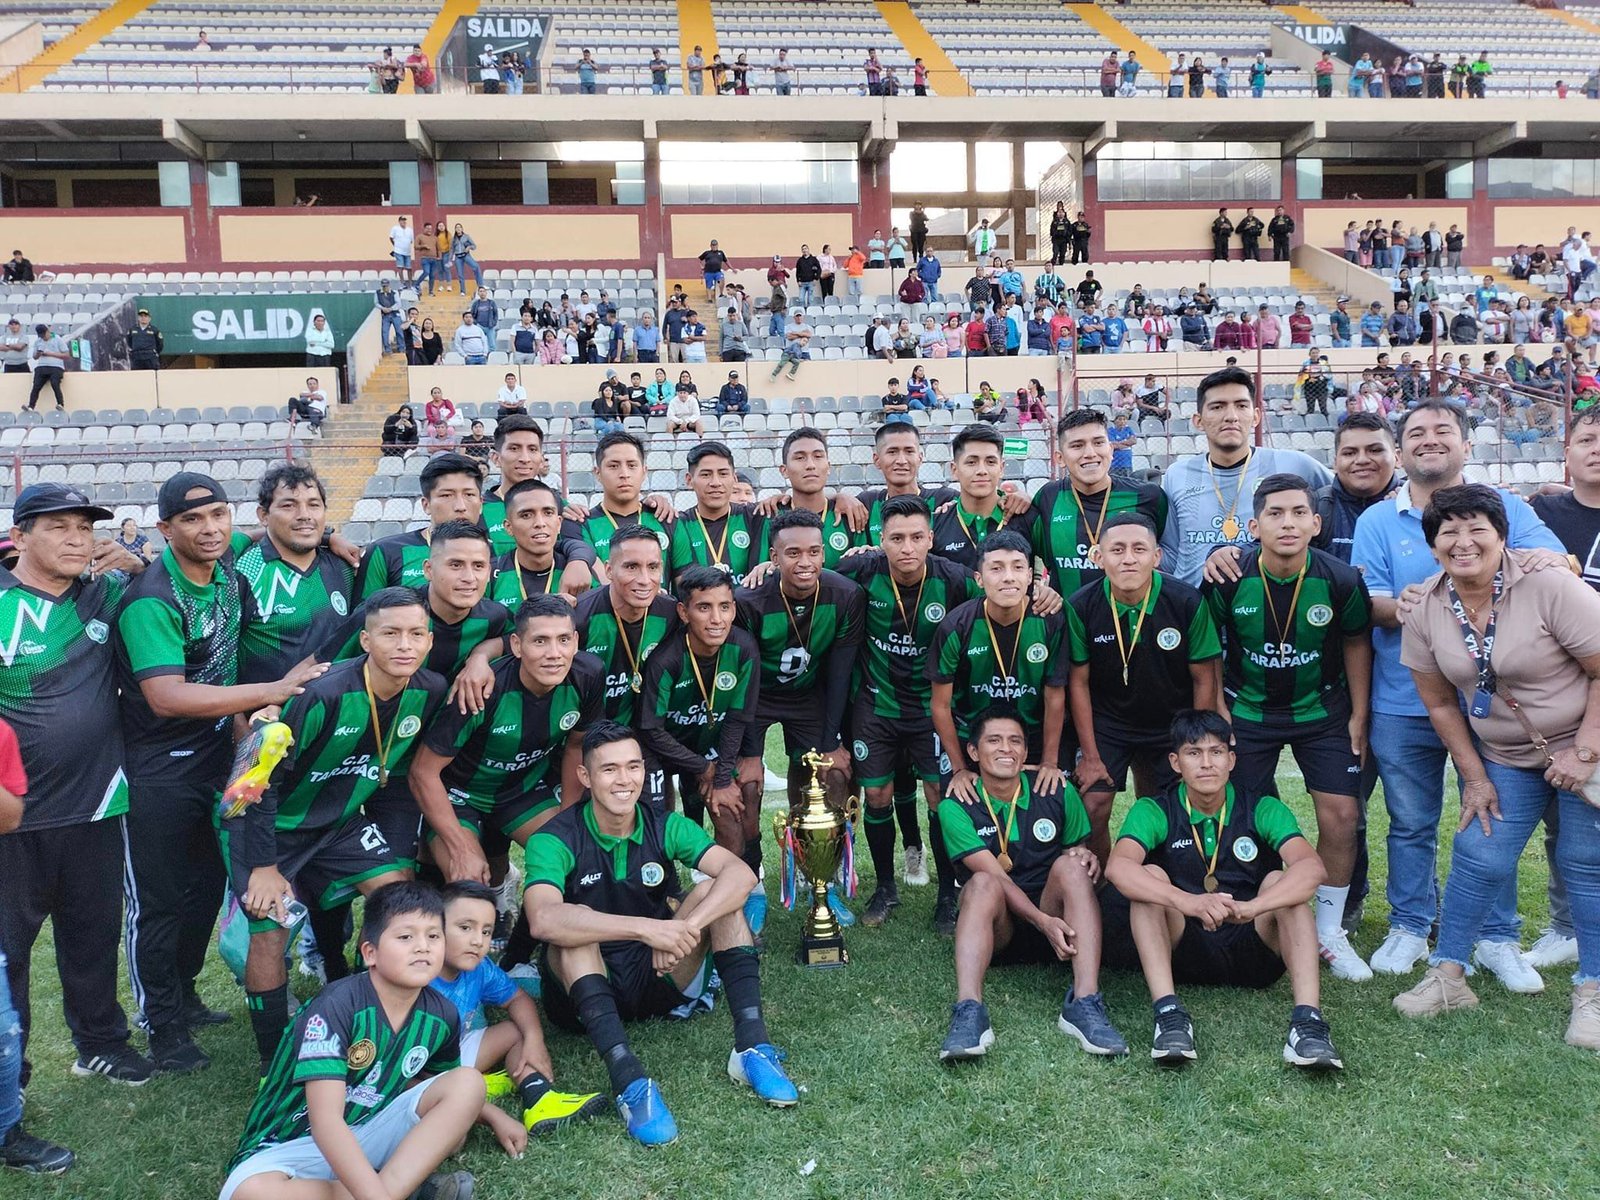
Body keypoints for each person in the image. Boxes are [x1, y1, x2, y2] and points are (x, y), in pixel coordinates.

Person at [1351, 401, 1568, 984]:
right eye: (1415, 432)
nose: (1428, 440)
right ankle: (1409, 924)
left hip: (1496, 706)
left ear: (1467, 444)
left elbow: (1556, 561)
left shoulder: (1506, 507)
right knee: (1410, 819)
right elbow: (1367, 602)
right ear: (1400, 451)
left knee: (1491, 817)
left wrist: (1547, 562)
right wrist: (1415, 609)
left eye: (1442, 430)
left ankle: (1496, 936)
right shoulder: (1377, 520)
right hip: (1405, 696)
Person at [117, 474, 327, 1073]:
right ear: (165, 530)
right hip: (156, 770)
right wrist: (274, 689)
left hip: (218, 760)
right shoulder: (152, 598)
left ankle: (183, 996)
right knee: (158, 901)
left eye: (218, 516)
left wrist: (332, 538)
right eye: (192, 521)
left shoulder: (230, 578)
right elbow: (166, 696)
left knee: (208, 889)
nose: (209, 529)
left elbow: (297, 531)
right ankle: (160, 1026)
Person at [1394, 485, 1600, 1049]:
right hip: (1507, 756)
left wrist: (1583, 753)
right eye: (1447, 532)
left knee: (1585, 863)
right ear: (1432, 544)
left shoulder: (1549, 586)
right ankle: (1448, 977)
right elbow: (1439, 701)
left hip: (1587, 747)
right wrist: (1475, 777)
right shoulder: (1426, 608)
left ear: (1501, 535)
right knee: (1480, 855)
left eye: (1476, 528)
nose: (1463, 542)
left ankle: (1593, 992)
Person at [525, 723, 798, 1146]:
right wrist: (647, 929)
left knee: (717, 896)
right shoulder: (554, 839)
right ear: (585, 777)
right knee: (572, 929)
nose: (624, 780)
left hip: (659, 971)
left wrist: (683, 929)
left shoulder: (663, 823)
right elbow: (542, 919)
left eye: (633, 767)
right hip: (585, 993)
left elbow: (740, 874)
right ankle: (630, 1083)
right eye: (609, 769)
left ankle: (751, 1049)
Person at [221, 588, 446, 1067]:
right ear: (365, 639)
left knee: (400, 899)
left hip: (339, 823)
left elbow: (398, 775)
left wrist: (398, 846)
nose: (404, 644)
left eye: (415, 634)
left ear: (429, 641)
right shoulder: (322, 695)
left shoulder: (429, 691)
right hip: (265, 825)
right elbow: (255, 783)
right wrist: (264, 866)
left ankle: (386, 1018)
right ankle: (275, 1058)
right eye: (390, 634)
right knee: (269, 929)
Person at [1, 485, 155, 1113]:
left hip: (96, 803)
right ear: (20, 535)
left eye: (85, 528)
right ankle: (14, 1067)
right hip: (12, 816)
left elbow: (175, 581)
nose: (76, 538)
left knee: (92, 936)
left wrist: (139, 562)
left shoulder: (106, 593)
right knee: (9, 952)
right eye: (58, 526)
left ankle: (100, 1043)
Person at [1200, 474, 1374, 980]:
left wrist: (1359, 713)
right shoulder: (1228, 578)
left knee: (1342, 816)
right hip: (1248, 712)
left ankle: (1329, 930)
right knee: (1245, 814)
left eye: (1299, 512)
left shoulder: (1341, 578)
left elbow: (1356, 644)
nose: (1288, 522)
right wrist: (1218, 710)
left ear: (1316, 523)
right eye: (1275, 513)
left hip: (1322, 713)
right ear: (1254, 525)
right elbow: (1208, 648)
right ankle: (1257, 910)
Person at [1103, 710, 1344, 1070]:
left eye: (1216, 752)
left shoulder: (1262, 806)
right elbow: (1117, 867)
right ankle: (1168, 1015)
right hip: (1184, 946)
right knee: (1149, 877)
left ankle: (1308, 1024)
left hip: (1253, 946)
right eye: (1193, 753)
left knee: (1282, 884)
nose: (1206, 764)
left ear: (1231, 759)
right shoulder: (1154, 809)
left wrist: (1254, 907)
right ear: (1175, 762)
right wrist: (1188, 902)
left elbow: (1312, 868)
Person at [218, 882, 481, 1200]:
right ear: (370, 952)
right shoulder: (336, 1006)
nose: (423, 947)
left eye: (433, 936)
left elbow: (437, 1085)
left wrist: (489, 1114)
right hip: (290, 1145)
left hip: (368, 1128)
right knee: (252, 1194)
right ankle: (397, 1189)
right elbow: (325, 1122)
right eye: (405, 937)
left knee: (468, 1084)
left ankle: (381, 1188)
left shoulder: (442, 1015)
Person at [937, 708, 1127, 1062]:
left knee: (1072, 867)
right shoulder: (956, 804)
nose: (1006, 749)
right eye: (994, 741)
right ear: (974, 753)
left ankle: (1084, 1003)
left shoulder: (1056, 790)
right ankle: (968, 1011)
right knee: (980, 883)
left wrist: (1085, 857)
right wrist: (1043, 922)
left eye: (1015, 742)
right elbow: (996, 876)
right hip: (1000, 930)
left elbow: (1078, 847)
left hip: (1060, 929)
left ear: (1026, 753)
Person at [1068, 513, 1222, 862]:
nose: (1128, 558)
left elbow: (1204, 677)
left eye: (1139, 549)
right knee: (1092, 804)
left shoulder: (1185, 602)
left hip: (1172, 721)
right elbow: (1077, 682)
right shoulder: (1080, 605)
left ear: (1156, 556)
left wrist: (1194, 745)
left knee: (1169, 806)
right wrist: (1090, 756)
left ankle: (1161, 880)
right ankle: (1102, 890)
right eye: (1117, 549)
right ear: (1098, 556)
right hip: (1110, 721)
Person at [1158, 366, 1332, 586]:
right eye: (1218, 407)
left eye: (1241, 406)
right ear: (1198, 420)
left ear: (1256, 416)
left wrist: (1389, 491)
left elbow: (1346, 493)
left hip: (1265, 602)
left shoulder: (1295, 464)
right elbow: (1172, 551)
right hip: (1195, 606)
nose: (1231, 416)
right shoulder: (1177, 474)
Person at [25, 324, 68, 412]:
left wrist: (50, 353)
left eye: (44, 335)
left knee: (54, 383)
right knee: (36, 386)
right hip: (42, 365)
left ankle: (60, 403)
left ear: (48, 332)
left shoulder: (57, 339)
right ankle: (31, 406)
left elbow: (66, 355)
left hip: (56, 366)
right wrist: (39, 353)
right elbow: (35, 357)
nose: (44, 338)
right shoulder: (38, 341)